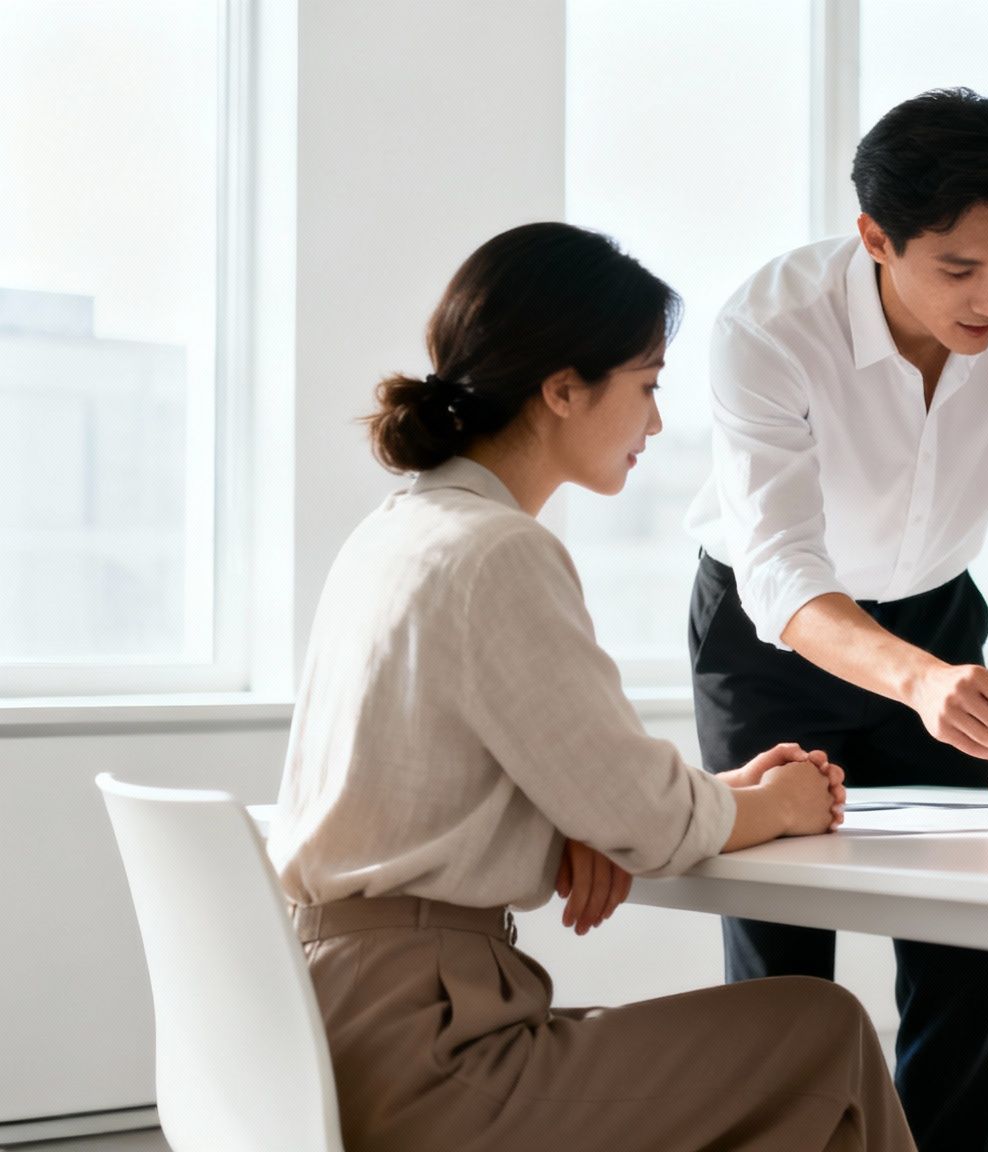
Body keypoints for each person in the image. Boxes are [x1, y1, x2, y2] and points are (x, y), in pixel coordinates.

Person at [268, 222, 915, 1152]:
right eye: (647, 385)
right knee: (825, 1031)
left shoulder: (399, 531)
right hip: (434, 1052)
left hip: (334, 1024)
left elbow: (596, 790)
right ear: (563, 389)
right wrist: (780, 802)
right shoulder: (498, 552)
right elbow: (644, 821)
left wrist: (626, 810)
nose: (657, 422)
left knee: (769, 1070)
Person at [685, 87, 988, 1151]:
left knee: (964, 935)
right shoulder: (766, 326)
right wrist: (915, 680)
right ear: (874, 237)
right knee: (781, 942)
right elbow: (781, 571)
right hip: (771, 635)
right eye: (958, 268)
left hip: (937, 615)